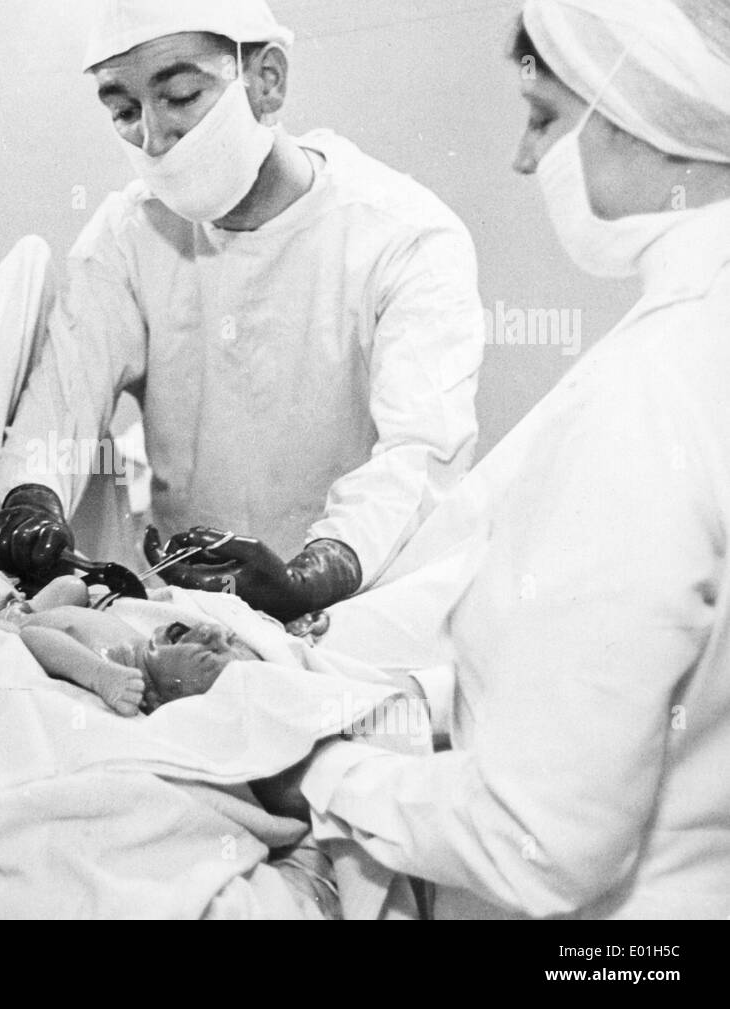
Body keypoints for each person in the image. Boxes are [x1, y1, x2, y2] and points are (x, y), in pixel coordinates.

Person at [255, 0, 730, 919]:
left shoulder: (645, 397)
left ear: (645, 112)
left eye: (545, 118)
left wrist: (313, 768)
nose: (522, 158)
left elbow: (539, 842)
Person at [0, 0, 487, 625]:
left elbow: (421, 454)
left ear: (266, 80)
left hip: (360, 609)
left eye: (182, 96)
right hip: (187, 610)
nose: (154, 138)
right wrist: (32, 497)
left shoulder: (402, 237)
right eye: (124, 111)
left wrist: (314, 572)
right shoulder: (129, 236)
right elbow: (61, 405)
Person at [0, 574, 264, 715]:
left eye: (207, 654)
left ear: (159, 698)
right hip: (32, 609)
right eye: (225, 637)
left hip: (13, 630)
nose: (214, 634)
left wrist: (98, 675)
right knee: (71, 586)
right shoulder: (138, 640)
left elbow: (35, 638)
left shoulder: (117, 666)